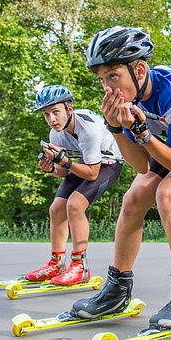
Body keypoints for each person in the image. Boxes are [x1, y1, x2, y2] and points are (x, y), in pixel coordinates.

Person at [61, 26, 171, 335]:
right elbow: (142, 165)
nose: (107, 88)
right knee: (134, 197)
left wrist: (142, 132)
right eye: (102, 80)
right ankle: (117, 290)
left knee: (168, 194)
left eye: (113, 77)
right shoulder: (130, 98)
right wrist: (117, 128)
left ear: (139, 69)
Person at [25, 85, 124, 286]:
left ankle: (80, 265)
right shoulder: (56, 134)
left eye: (55, 112)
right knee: (56, 208)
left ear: (69, 109)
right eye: (46, 114)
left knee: (75, 205)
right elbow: (66, 171)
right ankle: (56, 262)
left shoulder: (88, 130)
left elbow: (92, 173)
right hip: (86, 164)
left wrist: (64, 161)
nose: (51, 119)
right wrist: (52, 169)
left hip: (108, 163)